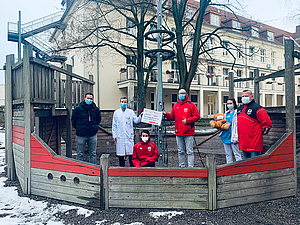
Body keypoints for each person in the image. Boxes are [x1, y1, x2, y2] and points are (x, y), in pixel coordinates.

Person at [162, 89, 200, 168]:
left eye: (183, 93)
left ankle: (190, 167)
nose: (181, 95)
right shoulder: (176, 106)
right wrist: (166, 114)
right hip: (178, 132)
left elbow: (197, 116)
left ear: (186, 94)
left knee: (189, 151)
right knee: (180, 151)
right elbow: (172, 117)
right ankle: (181, 166)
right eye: (180, 93)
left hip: (188, 132)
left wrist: (188, 120)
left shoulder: (191, 105)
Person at [237, 90, 272, 159]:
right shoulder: (240, 109)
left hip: (254, 143)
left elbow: (267, 124)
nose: (244, 98)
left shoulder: (258, 108)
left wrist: (257, 134)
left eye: (246, 96)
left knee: (255, 165)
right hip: (243, 143)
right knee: (245, 165)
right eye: (243, 96)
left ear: (251, 97)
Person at [71, 93, 101, 164]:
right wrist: (79, 128)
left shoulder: (95, 109)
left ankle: (93, 169)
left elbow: (98, 120)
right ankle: (80, 170)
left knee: (93, 153)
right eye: (88, 98)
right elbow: (73, 120)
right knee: (80, 154)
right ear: (84, 98)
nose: (89, 100)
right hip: (81, 135)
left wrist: (93, 127)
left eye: (91, 99)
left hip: (92, 135)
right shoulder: (77, 109)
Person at [112, 97, 142, 167]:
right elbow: (114, 125)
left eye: (125, 102)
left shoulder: (131, 112)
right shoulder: (116, 113)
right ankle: (122, 170)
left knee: (131, 154)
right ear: (120, 103)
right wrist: (114, 135)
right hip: (120, 136)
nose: (123, 103)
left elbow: (137, 121)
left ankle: (132, 170)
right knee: (121, 155)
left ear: (127, 103)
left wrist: (141, 116)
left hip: (129, 136)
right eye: (122, 102)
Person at [219, 98, 242, 163]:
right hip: (225, 135)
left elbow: (237, 126)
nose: (229, 105)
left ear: (234, 104)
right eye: (228, 104)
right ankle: (229, 167)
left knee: (236, 154)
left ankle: (239, 167)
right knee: (228, 154)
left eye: (230, 103)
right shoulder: (226, 113)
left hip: (233, 136)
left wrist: (236, 137)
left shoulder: (236, 113)